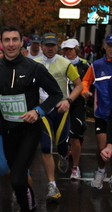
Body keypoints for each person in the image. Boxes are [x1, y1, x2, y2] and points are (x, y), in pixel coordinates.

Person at [0, 25, 62, 212]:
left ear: (21, 42)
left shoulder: (35, 68)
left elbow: (56, 94)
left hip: (29, 130)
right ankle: (29, 205)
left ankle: (29, 208)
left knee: (18, 178)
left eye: (14, 40)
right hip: (6, 130)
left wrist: (38, 111)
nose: (11, 44)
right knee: (16, 179)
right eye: (6, 40)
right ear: (0, 43)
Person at [34, 33, 83, 203]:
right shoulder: (34, 64)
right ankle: (52, 185)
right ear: (41, 46)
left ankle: (63, 156)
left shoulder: (65, 63)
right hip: (42, 110)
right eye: (46, 45)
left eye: (53, 45)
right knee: (46, 147)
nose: (49, 48)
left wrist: (69, 101)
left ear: (57, 47)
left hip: (61, 109)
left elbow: (79, 85)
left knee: (62, 147)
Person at [82, 34, 112, 190]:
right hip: (102, 112)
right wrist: (85, 91)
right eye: (110, 45)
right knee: (102, 148)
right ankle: (101, 171)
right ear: (105, 46)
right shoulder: (96, 65)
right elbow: (85, 81)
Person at [61, 38, 89, 180]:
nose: (68, 52)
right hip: (62, 101)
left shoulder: (84, 65)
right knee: (61, 134)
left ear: (76, 50)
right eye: (65, 49)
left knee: (74, 135)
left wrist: (87, 91)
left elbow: (89, 82)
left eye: (70, 49)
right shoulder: (60, 63)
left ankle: (75, 167)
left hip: (77, 103)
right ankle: (64, 154)